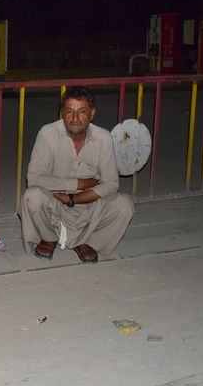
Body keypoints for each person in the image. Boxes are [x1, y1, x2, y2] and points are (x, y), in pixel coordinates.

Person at [20, 86, 134, 263]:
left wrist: (73, 198)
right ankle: (48, 237)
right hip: (54, 202)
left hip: (87, 207)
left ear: (92, 113)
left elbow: (111, 184)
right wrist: (79, 184)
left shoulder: (103, 138)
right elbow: (34, 178)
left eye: (81, 112)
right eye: (69, 111)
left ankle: (86, 241)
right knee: (32, 196)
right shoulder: (48, 134)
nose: (74, 118)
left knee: (124, 204)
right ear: (62, 113)